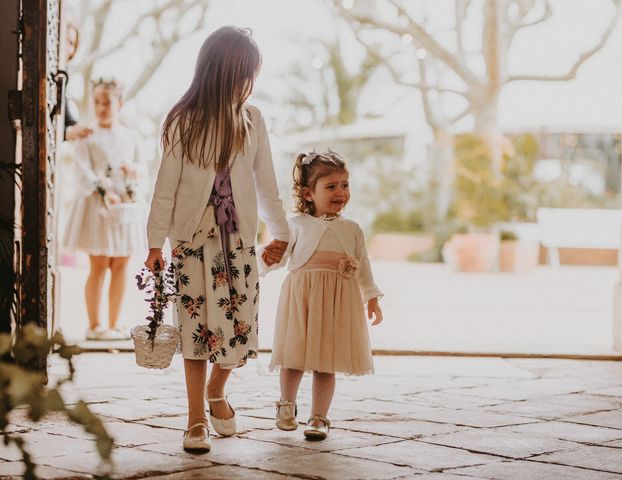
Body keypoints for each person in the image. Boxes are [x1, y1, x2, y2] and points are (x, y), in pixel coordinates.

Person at [144, 26, 289, 453]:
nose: (251, 84)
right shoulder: (182, 120)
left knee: (239, 331)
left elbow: (267, 184)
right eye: (247, 74)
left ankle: (216, 390)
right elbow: (164, 187)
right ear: (223, 72)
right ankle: (194, 420)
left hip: (238, 243)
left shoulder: (253, 119)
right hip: (190, 243)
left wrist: (283, 235)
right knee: (194, 333)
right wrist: (155, 243)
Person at [259, 150, 384, 441]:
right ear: (308, 193)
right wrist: (265, 257)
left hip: (337, 302)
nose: (341, 192)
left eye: (345, 185)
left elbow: (362, 265)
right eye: (331, 186)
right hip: (302, 299)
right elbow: (278, 257)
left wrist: (372, 297)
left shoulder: (352, 230)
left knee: (327, 362)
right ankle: (286, 405)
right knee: (293, 356)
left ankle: (319, 417)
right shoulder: (296, 225)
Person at [63, 78, 146, 341]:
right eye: (97, 102)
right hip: (98, 205)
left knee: (121, 263)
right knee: (98, 263)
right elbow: (82, 168)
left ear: (119, 104)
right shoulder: (87, 134)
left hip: (124, 205)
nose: (101, 107)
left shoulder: (130, 135)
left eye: (107, 102)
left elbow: (141, 165)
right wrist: (102, 188)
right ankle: (95, 324)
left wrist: (133, 172)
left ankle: (115, 323)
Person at [63, 23, 92, 141]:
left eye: (71, 43)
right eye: (65, 39)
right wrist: (66, 132)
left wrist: (76, 127)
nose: (66, 46)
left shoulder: (64, 72)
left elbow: (62, 104)